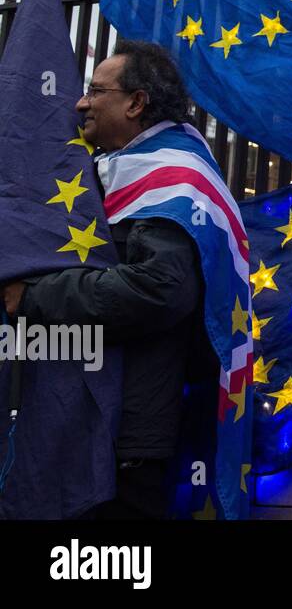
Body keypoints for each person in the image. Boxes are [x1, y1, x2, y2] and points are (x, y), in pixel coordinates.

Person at [3, 41, 209, 519]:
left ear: (136, 103)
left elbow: (159, 291)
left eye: (95, 90)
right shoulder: (123, 172)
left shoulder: (171, 178)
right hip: (86, 422)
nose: (80, 102)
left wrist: (31, 297)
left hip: (125, 440)